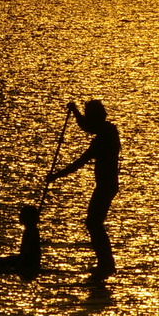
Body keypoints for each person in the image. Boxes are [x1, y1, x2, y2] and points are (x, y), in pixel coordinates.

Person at [46, 100, 120, 279]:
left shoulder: (104, 138)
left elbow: (81, 161)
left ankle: (106, 264)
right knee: (94, 222)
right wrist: (75, 112)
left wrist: (56, 176)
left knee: (93, 222)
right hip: (105, 184)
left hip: (106, 185)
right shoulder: (107, 130)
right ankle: (105, 263)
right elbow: (88, 127)